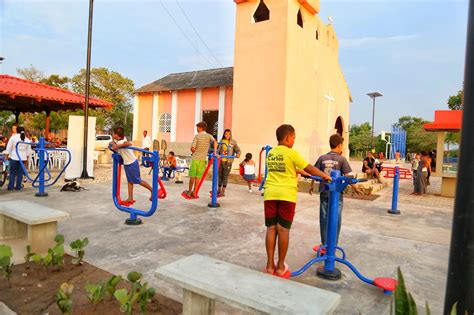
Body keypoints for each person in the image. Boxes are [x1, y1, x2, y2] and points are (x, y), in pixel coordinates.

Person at [263, 124, 331, 278]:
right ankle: (280, 266)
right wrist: (324, 176)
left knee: (271, 229)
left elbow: (284, 168)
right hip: (287, 195)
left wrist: (298, 170)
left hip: (270, 193)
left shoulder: (271, 153)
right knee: (283, 229)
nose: (294, 141)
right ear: (287, 138)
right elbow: (309, 168)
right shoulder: (291, 153)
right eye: (293, 138)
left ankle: (269, 265)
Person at [310, 134, 352, 249]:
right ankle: (333, 244)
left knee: (324, 218)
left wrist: (311, 186)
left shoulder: (322, 158)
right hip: (337, 194)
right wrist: (354, 187)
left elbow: (314, 172)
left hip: (324, 191)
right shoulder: (342, 159)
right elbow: (348, 176)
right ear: (339, 146)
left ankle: (324, 243)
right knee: (336, 218)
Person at [111, 126, 153, 204]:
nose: (112, 134)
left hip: (131, 163)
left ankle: (152, 191)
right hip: (128, 163)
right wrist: (114, 144)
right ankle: (130, 198)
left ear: (117, 135)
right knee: (130, 181)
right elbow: (116, 145)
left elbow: (128, 143)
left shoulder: (122, 142)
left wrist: (116, 146)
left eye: (113, 133)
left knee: (137, 180)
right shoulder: (122, 139)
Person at [183, 122, 217, 198]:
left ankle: (189, 191)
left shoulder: (197, 136)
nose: (197, 129)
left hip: (195, 159)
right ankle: (195, 192)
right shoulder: (209, 136)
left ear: (200, 128)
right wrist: (215, 152)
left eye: (197, 127)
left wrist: (193, 150)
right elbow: (215, 141)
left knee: (192, 176)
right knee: (198, 177)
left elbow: (193, 148)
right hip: (203, 159)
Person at [5, 126, 32, 191]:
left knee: (12, 173)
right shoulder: (27, 140)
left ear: (17, 131)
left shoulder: (13, 138)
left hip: (14, 157)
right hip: (23, 158)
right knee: (20, 173)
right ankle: (18, 186)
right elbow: (28, 152)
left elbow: (8, 148)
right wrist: (27, 160)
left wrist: (6, 156)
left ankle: (10, 187)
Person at [217, 129, 241, 197]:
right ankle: (218, 189)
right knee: (220, 175)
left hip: (228, 162)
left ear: (231, 135)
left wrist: (238, 154)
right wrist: (217, 154)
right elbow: (218, 150)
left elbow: (238, 150)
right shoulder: (221, 141)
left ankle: (223, 191)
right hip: (221, 161)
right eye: (226, 134)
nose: (227, 135)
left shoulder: (233, 142)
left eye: (229, 134)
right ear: (224, 134)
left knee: (225, 176)